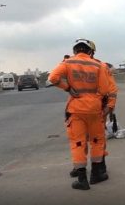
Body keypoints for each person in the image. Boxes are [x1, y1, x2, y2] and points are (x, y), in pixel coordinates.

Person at [49, 38, 110, 190]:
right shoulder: (99, 65)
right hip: (95, 109)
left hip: (76, 109)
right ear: (89, 51)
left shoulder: (68, 63)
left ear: (75, 51)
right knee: (96, 141)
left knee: (78, 143)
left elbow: (53, 78)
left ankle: (82, 179)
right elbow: (104, 90)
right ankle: (96, 175)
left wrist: (67, 88)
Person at [69, 40, 118, 178]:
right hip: (89, 108)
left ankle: (94, 167)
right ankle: (85, 167)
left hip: (91, 109)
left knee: (90, 139)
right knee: (88, 139)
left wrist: (109, 106)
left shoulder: (99, 66)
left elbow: (112, 89)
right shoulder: (83, 65)